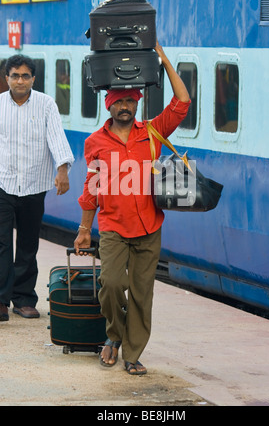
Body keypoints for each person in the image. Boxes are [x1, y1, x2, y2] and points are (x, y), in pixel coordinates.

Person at [74, 42, 190, 375]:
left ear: (136, 103)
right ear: (109, 105)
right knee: (110, 284)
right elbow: (91, 189)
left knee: (142, 294)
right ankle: (114, 335)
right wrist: (84, 230)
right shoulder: (95, 142)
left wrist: (165, 61)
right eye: (118, 101)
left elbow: (182, 103)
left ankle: (131, 352)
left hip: (149, 226)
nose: (125, 106)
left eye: (130, 100)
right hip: (113, 226)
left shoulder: (152, 132)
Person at [0, 54, 74, 322]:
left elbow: (57, 138)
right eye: (15, 75)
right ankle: (0, 300)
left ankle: (24, 299)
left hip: (34, 185)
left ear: (33, 79)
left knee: (27, 243)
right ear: (6, 78)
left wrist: (62, 169)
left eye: (25, 75)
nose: (20, 80)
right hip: (0, 183)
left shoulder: (46, 105)